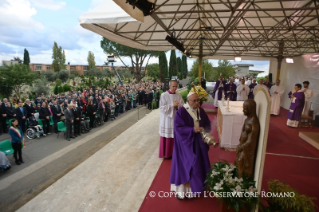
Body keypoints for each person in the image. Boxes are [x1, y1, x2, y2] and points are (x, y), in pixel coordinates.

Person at [170, 93, 211, 199]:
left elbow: (207, 124)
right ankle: (183, 192)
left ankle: (197, 188)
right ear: (188, 101)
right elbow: (178, 128)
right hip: (186, 144)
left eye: (198, 100)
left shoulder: (200, 111)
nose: (197, 103)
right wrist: (192, 130)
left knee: (199, 164)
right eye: (194, 101)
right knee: (189, 165)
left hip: (199, 143)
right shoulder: (181, 112)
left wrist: (204, 130)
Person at [159, 80, 184, 159]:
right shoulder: (164, 95)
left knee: (175, 135)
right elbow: (162, 108)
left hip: (175, 119)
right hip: (167, 120)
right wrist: (172, 105)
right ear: (169, 86)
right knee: (167, 136)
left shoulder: (179, 95)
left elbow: (182, 106)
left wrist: (177, 106)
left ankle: (175, 153)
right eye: (173, 86)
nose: (175, 88)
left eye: (176, 86)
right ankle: (167, 154)